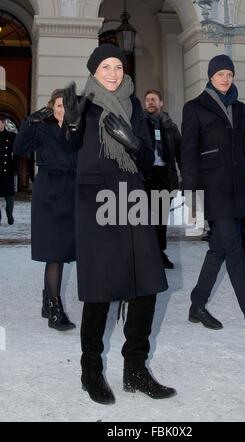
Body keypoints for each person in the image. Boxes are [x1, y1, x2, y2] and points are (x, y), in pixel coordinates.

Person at [62, 44, 176, 405]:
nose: (113, 73)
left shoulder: (135, 106)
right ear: (94, 70)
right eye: (105, 67)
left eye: (118, 67)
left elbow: (146, 160)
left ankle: (136, 370)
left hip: (133, 198)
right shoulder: (82, 103)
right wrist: (73, 124)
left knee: (147, 285)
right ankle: (90, 371)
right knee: (100, 291)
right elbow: (68, 149)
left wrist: (131, 143)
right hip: (96, 201)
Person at [181, 54, 245, 349]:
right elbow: (188, 153)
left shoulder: (239, 109)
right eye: (219, 73)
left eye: (229, 73)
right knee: (235, 256)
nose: (225, 78)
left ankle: (197, 304)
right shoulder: (195, 108)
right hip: (213, 192)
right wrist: (192, 195)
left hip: (237, 190)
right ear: (210, 76)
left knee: (218, 251)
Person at [13, 90, 76, 331]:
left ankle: (47, 300)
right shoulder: (41, 128)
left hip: (72, 193)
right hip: (49, 193)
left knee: (66, 250)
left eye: (66, 105)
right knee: (55, 252)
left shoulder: (77, 130)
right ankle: (54, 308)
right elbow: (19, 148)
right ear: (51, 107)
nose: (62, 109)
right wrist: (30, 121)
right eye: (58, 105)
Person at [144, 90, 181, 269]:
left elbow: (180, 153)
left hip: (164, 175)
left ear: (161, 103)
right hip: (146, 176)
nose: (150, 102)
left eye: (153, 100)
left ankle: (160, 252)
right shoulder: (140, 124)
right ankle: (146, 254)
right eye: (147, 100)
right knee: (144, 218)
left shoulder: (170, 126)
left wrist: (185, 176)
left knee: (161, 218)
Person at [0, 115, 18, 225]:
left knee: (10, 196)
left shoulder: (11, 136)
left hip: (8, 170)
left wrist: (15, 168)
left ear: (4, 123)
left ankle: (9, 215)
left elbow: (16, 154)